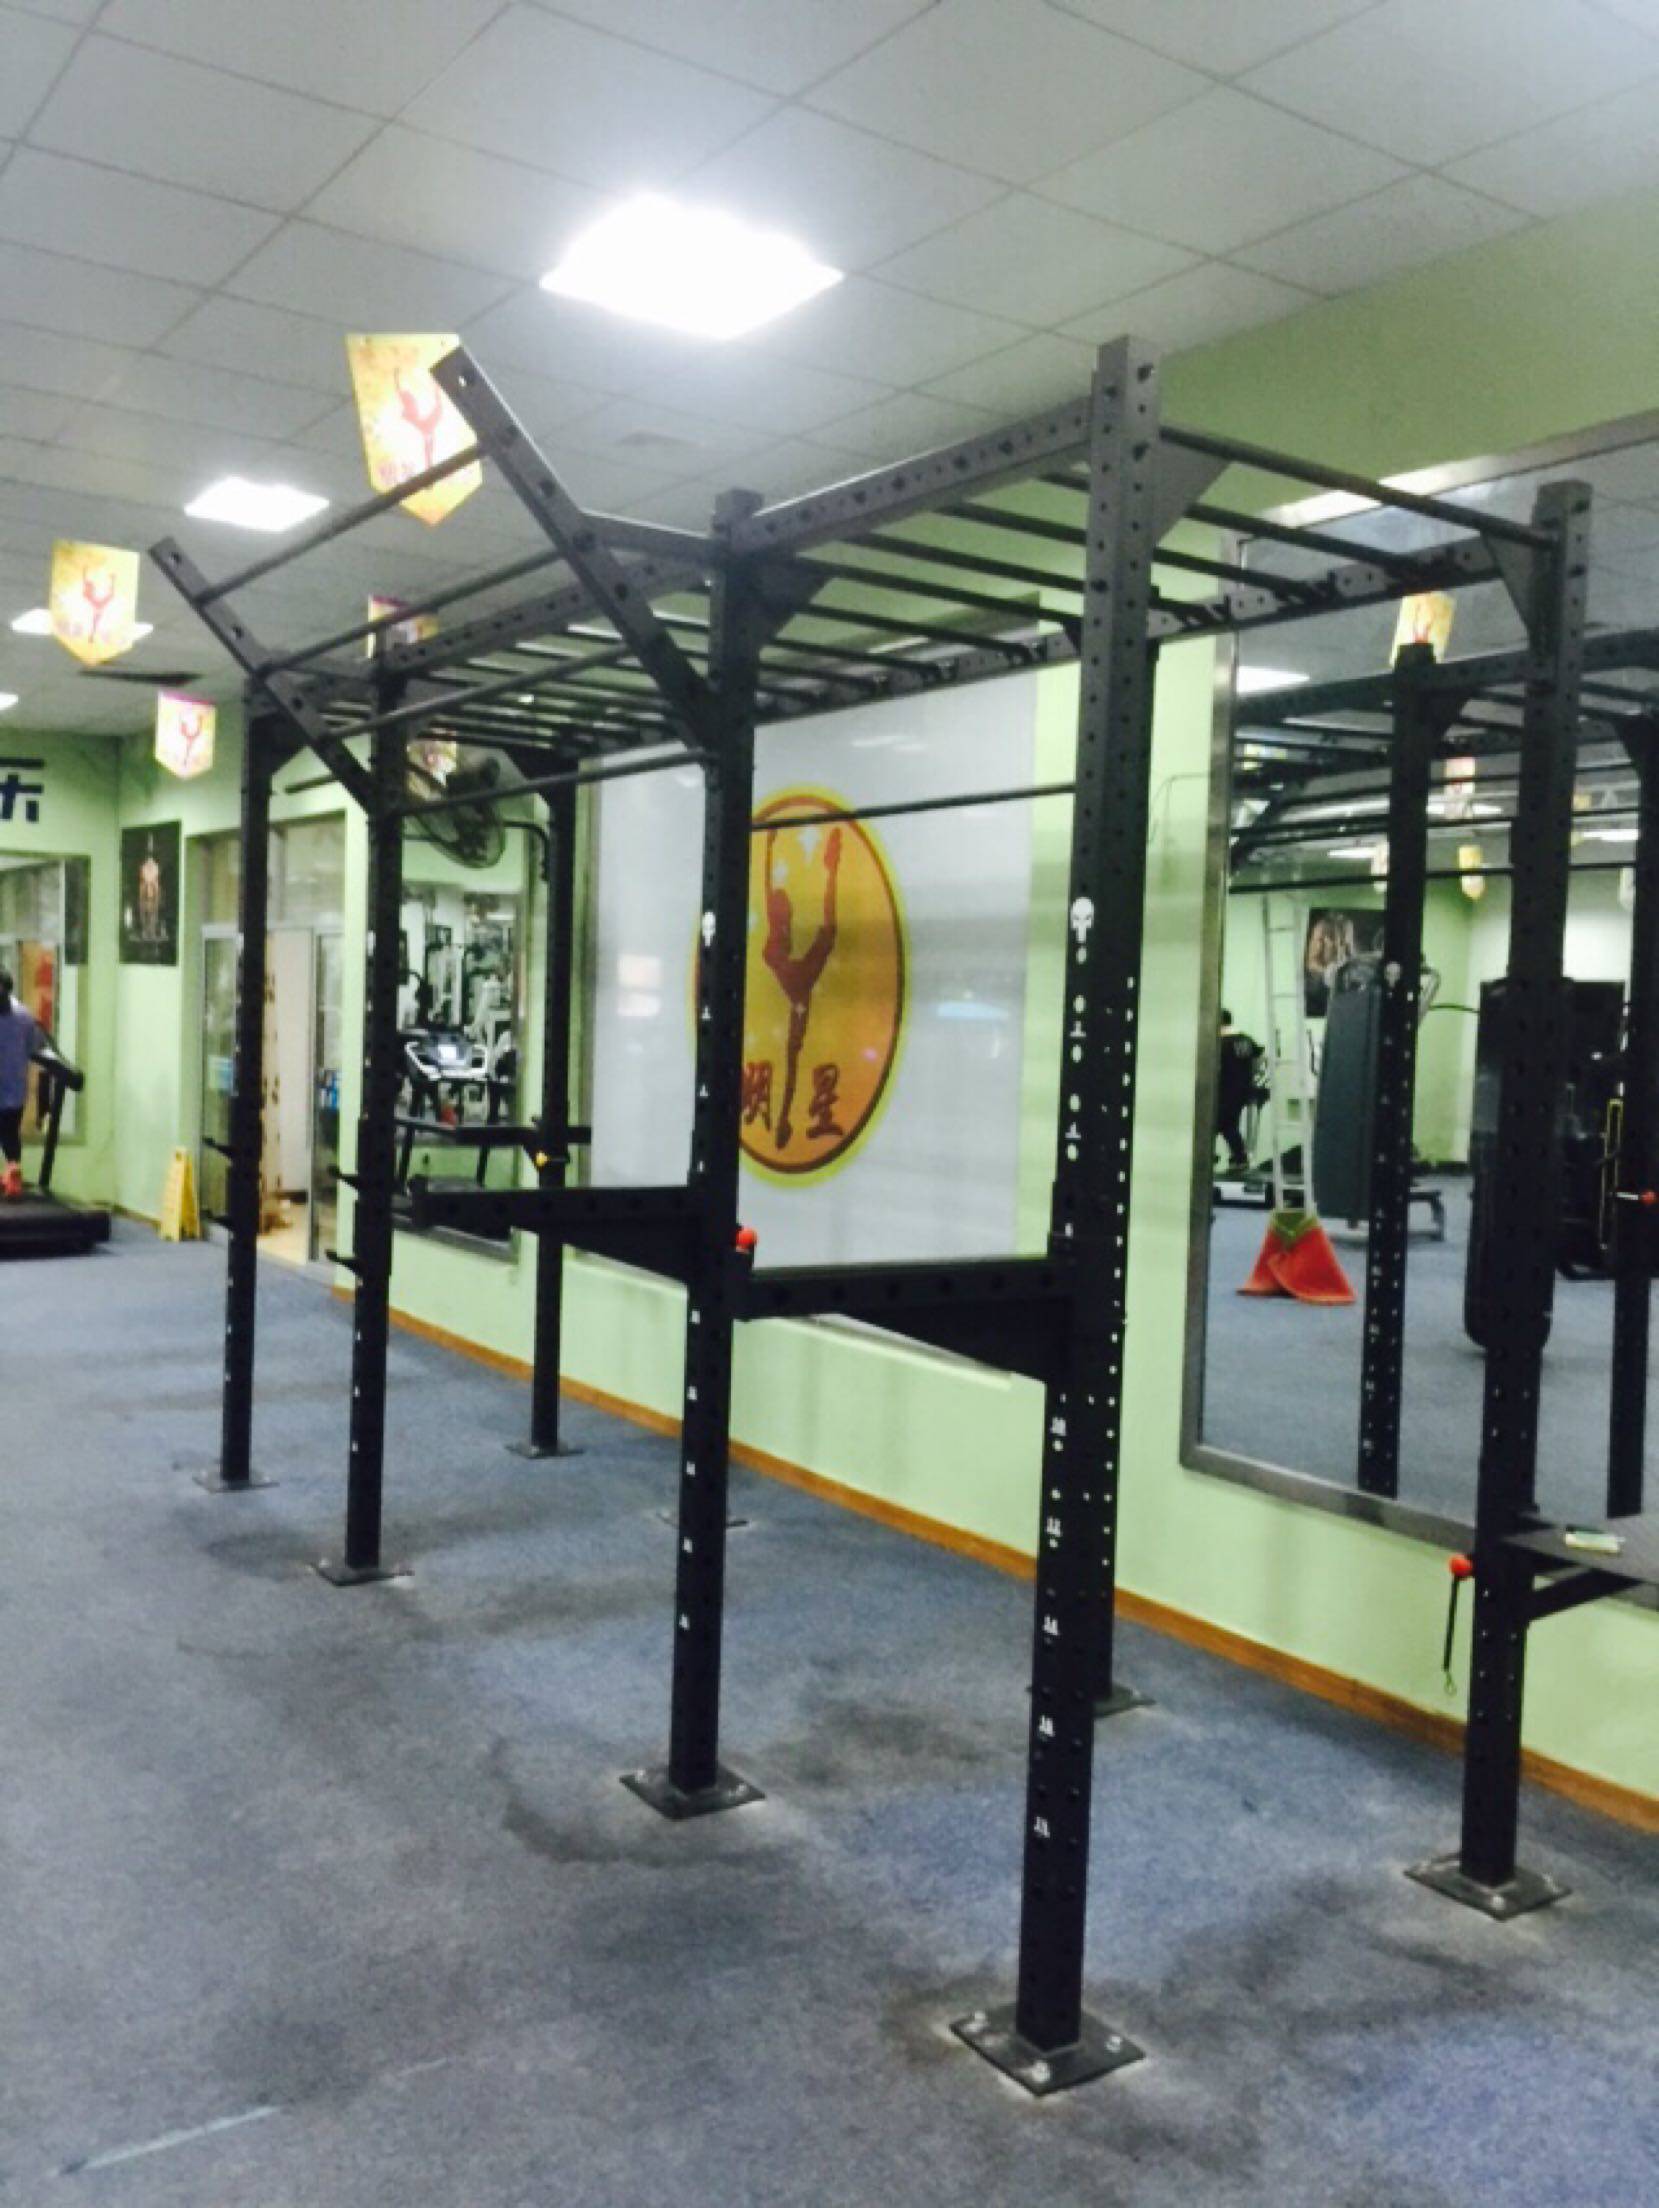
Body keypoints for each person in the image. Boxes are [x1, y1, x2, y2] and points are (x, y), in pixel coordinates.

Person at [0, 964, 40, 1200]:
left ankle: (12, 1172)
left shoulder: (23, 1017)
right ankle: (12, 1170)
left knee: (9, 1133)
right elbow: (32, 1048)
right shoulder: (24, 1015)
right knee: (10, 1134)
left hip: (11, 1086)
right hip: (14, 1088)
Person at [1216, 1006, 1266, 1175]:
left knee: (1221, 1124)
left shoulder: (1220, 1043)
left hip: (1224, 1089)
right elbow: (1259, 1056)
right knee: (1230, 1124)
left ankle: (1238, 1158)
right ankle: (1238, 1159)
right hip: (1242, 1089)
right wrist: (1252, 1075)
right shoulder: (1245, 1039)